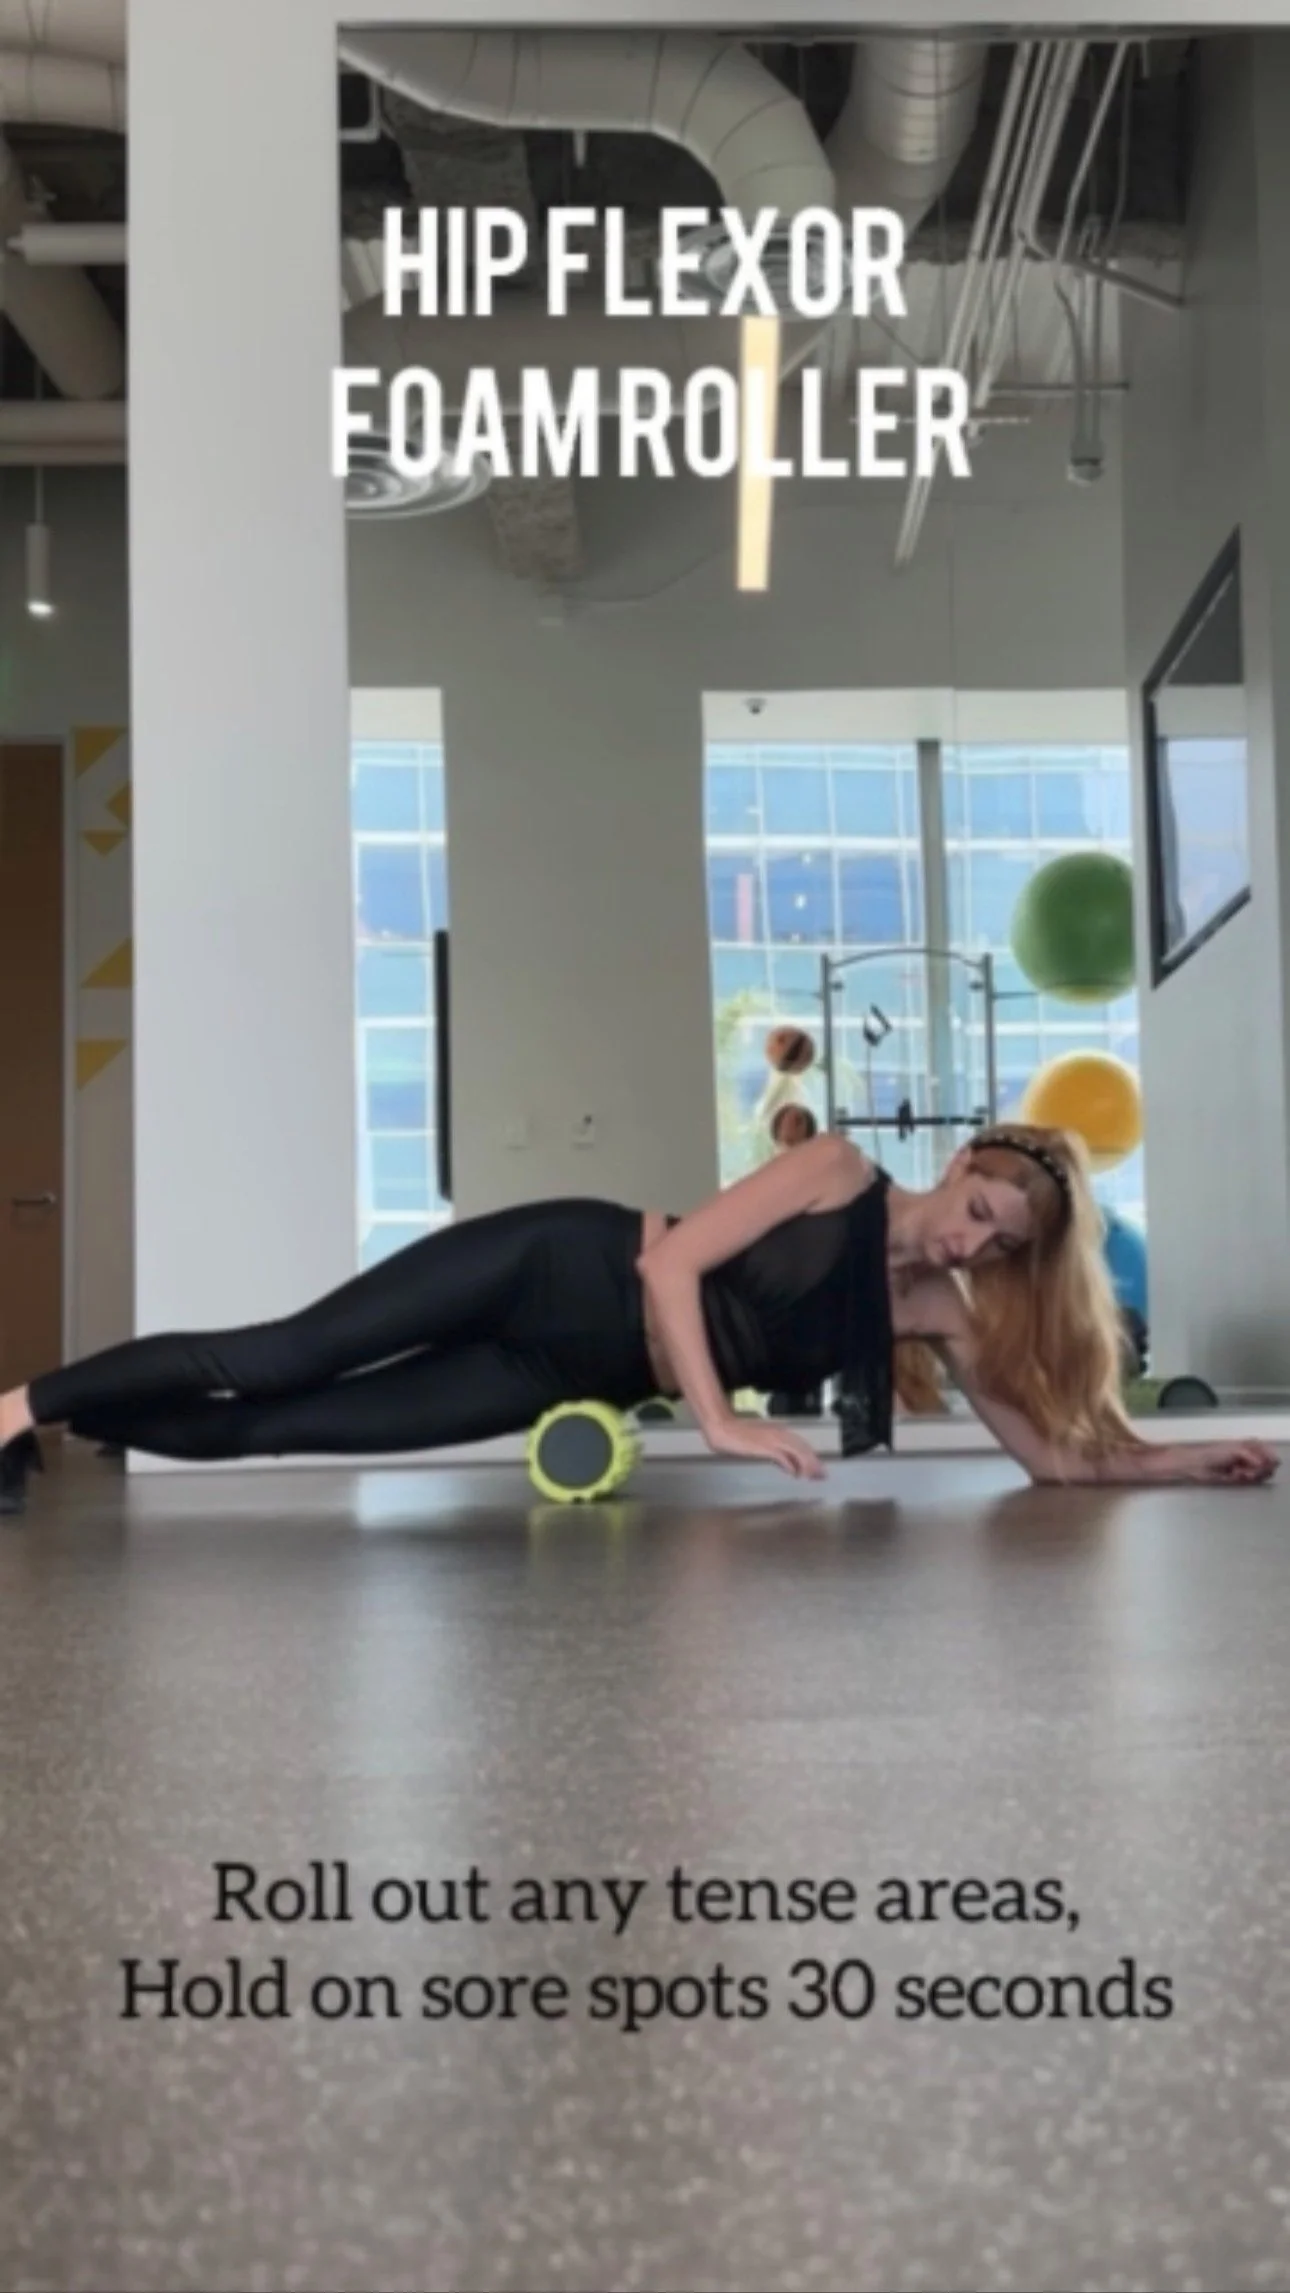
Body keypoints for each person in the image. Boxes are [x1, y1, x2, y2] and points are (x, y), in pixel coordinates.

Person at [0, 1122, 1276, 1514]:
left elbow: (1052, 1459)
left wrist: (1185, 1459)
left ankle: (65, 1430)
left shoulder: (941, 1311)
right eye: (980, 1206)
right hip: (560, 1268)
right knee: (282, 1356)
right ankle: (11, 1410)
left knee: (292, 1428)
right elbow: (672, 1271)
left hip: (564, 1373)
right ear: (957, 1165)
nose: (973, 1239)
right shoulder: (837, 1167)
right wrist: (719, 1422)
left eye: (1001, 1242)